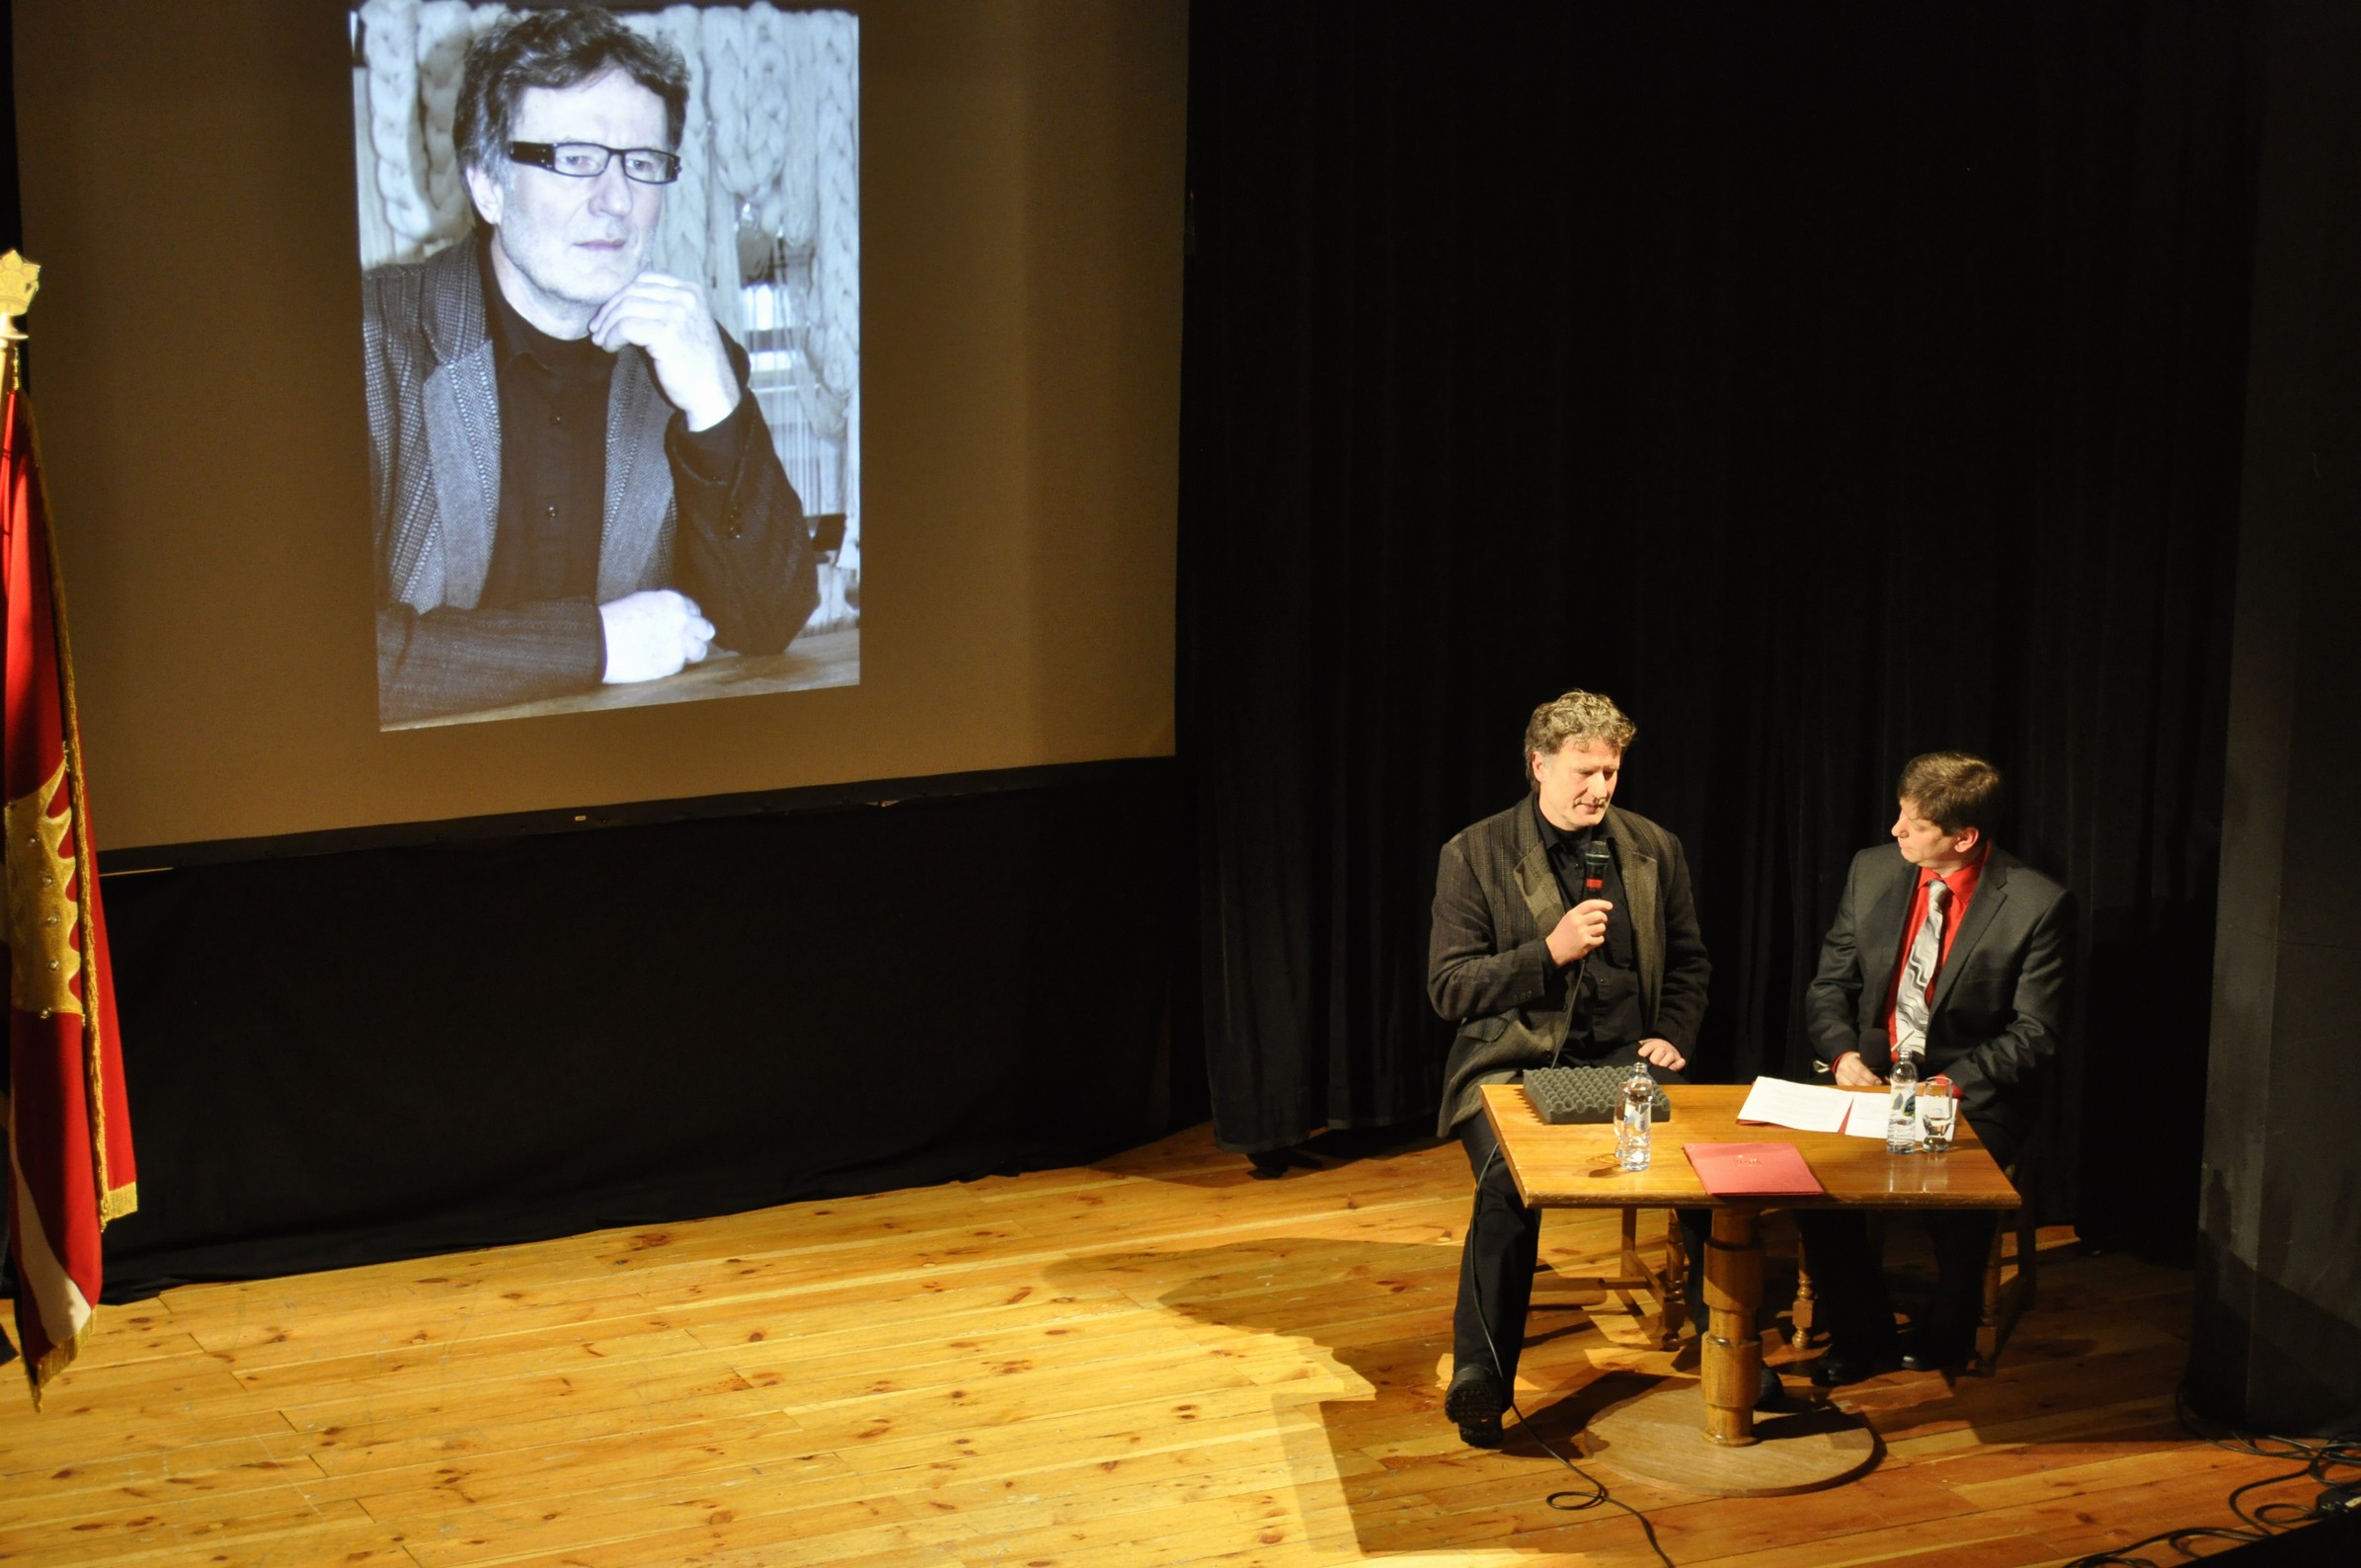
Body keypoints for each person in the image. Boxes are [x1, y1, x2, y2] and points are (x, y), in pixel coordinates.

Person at [363, 7, 818, 726]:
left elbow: (767, 623)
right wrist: (596, 644)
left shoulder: (689, 356)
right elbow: (314, 655)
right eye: (574, 158)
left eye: (643, 163)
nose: (617, 202)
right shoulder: (367, 341)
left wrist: (716, 408)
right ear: (487, 185)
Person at [1427, 689, 1711, 1447]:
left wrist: (1671, 1033)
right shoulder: (1474, 853)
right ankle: (1480, 1375)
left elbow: (1689, 962)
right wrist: (1546, 953)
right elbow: (1449, 988)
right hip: (1512, 1067)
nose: (1599, 788)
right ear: (1538, 765)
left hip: (1627, 1060)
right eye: (1583, 772)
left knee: (1705, 1172)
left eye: (1610, 772)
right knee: (1505, 1187)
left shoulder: (1652, 848)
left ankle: (1730, 1351)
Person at [1796, 751, 2074, 1384]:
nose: (1896, 830)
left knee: (1954, 1188)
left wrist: (1946, 1087)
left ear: (1964, 837)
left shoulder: (2037, 904)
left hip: (1972, 1084)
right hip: (1873, 1070)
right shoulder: (1872, 870)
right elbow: (1830, 984)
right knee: (1808, 1176)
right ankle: (1861, 1330)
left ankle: (1948, 1330)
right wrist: (1842, 1055)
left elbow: (2035, 1032)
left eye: (1914, 824)